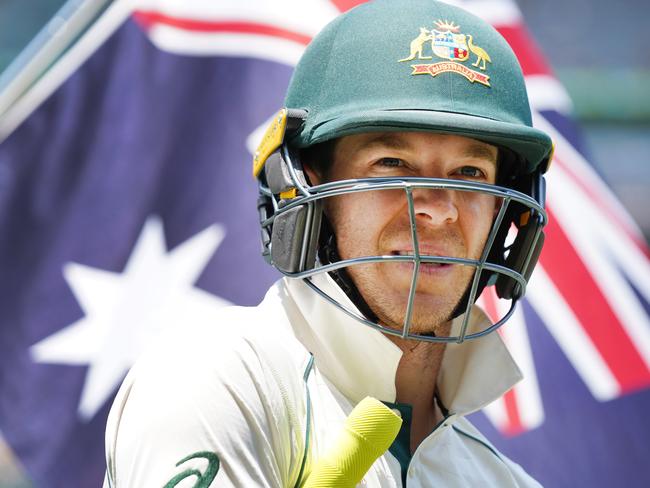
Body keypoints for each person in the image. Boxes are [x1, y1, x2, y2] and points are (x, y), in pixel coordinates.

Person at [103, 0, 553, 486]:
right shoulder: (216, 380)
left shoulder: (502, 480)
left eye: (470, 174)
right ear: (308, 188)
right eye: (391, 164)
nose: (439, 208)